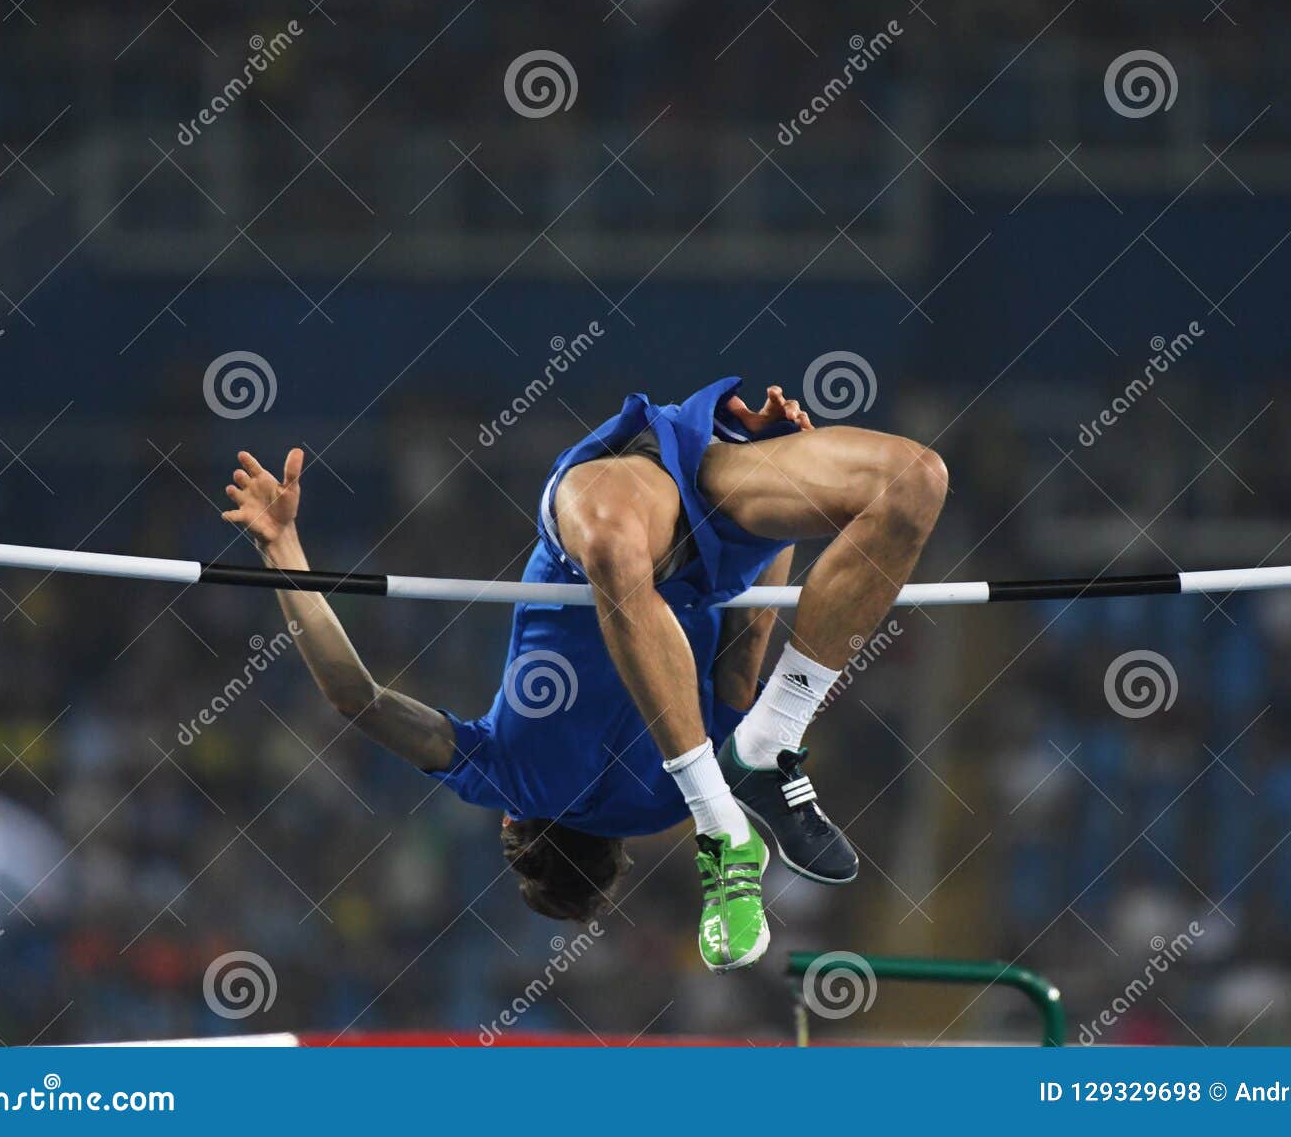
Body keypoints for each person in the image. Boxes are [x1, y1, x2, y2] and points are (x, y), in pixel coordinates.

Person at [221, 377, 946, 972]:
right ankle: (766, 756)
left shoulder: (644, 800)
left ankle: (749, 781)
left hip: (691, 529)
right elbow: (356, 697)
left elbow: (749, 635)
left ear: (616, 851)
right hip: (636, 510)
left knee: (913, 484)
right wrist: (284, 547)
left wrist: (779, 479)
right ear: (512, 826)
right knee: (911, 481)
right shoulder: (508, 779)